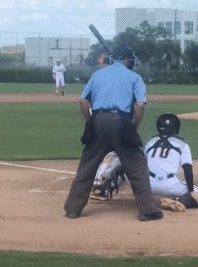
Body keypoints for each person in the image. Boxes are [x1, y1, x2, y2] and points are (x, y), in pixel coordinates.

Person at [64, 45, 163, 221]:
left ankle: (72, 208)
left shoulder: (97, 75)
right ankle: (147, 211)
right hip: (121, 122)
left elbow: (82, 101)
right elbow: (140, 105)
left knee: (87, 165)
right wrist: (134, 128)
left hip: (98, 120)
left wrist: (90, 124)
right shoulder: (135, 77)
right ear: (129, 61)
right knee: (137, 166)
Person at [90, 113, 198, 213]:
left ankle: (103, 189)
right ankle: (180, 202)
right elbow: (187, 168)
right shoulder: (183, 145)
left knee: (125, 165)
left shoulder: (150, 142)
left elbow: (141, 165)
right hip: (171, 185)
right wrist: (191, 191)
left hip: (148, 185)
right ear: (176, 128)